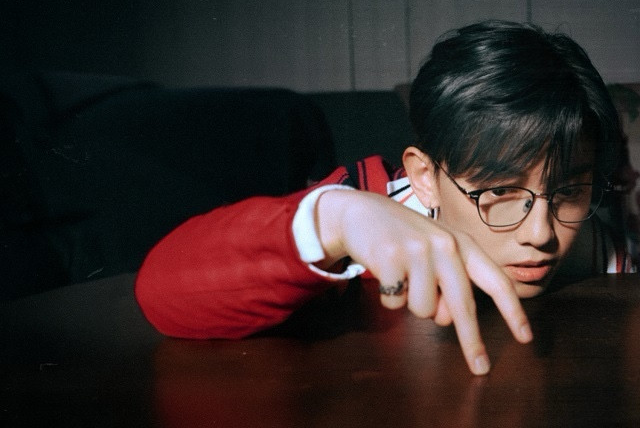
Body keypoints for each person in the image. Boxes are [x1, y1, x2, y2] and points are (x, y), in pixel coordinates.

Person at [135, 20, 635, 376]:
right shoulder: (361, 209)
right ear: (424, 176)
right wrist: (334, 218)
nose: (542, 234)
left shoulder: (605, 253)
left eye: (569, 190)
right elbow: (161, 296)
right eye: (501, 190)